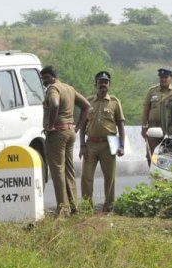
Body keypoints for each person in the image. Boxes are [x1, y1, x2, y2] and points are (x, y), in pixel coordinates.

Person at [40, 66, 90, 216]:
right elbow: (87, 106)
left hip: (57, 134)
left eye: (46, 78)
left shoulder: (53, 89)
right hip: (69, 132)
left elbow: (54, 104)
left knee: (57, 170)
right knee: (69, 170)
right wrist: (77, 128)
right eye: (42, 79)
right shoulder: (69, 88)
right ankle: (74, 206)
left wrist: (50, 126)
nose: (44, 82)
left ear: (53, 76)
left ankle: (63, 209)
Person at [79, 71, 126, 212]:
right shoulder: (88, 102)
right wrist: (82, 145)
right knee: (86, 177)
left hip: (110, 142)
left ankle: (108, 208)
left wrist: (121, 146)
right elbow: (82, 126)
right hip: (91, 143)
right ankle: (87, 208)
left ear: (109, 85)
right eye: (100, 82)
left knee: (110, 178)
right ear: (96, 84)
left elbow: (121, 126)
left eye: (106, 82)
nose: (103, 85)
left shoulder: (115, 102)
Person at [141, 67, 172, 166]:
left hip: (170, 127)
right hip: (153, 127)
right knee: (151, 153)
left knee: (169, 152)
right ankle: (153, 172)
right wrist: (143, 127)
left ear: (171, 78)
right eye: (161, 77)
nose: (163, 79)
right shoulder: (152, 91)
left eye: (165, 77)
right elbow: (146, 109)